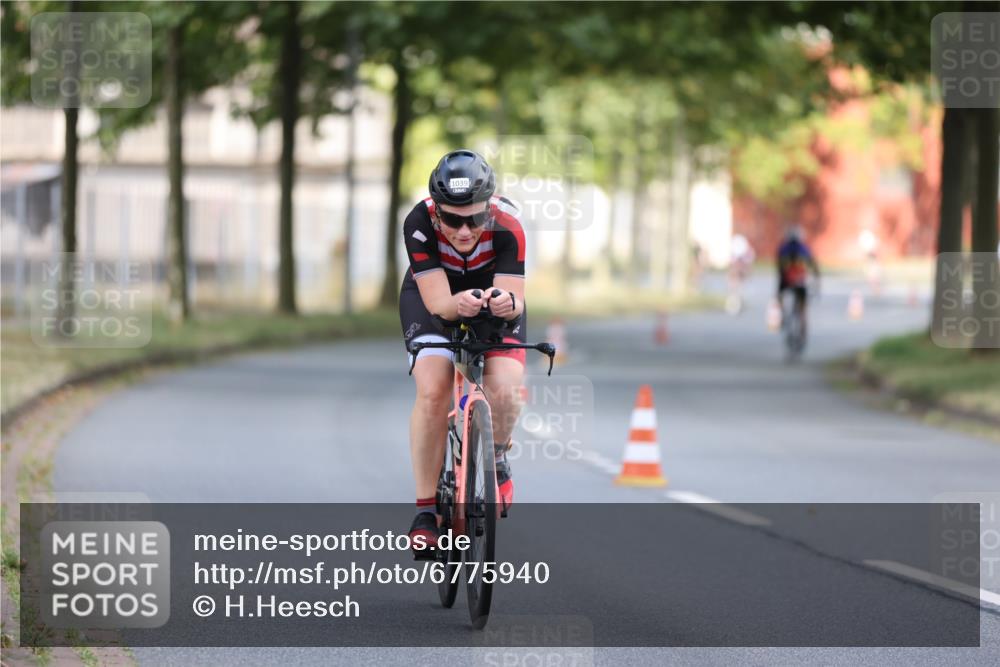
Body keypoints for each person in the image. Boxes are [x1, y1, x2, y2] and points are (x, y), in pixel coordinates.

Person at [399, 149, 527, 550]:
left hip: (493, 298)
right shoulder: (418, 224)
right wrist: (460, 304)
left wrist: (506, 303)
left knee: (505, 387)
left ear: (490, 208)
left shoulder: (508, 225)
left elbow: (517, 298)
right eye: (453, 220)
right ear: (436, 211)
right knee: (434, 389)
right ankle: (425, 512)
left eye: (475, 218)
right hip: (433, 297)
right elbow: (439, 305)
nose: (465, 230)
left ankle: (499, 457)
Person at [776, 225, 820, 330]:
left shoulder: (784, 247)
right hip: (800, 280)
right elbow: (812, 264)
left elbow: (779, 264)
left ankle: (782, 315)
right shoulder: (804, 248)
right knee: (803, 301)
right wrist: (816, 277)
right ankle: (803, 323)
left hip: (786, 279)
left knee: (780, 295)